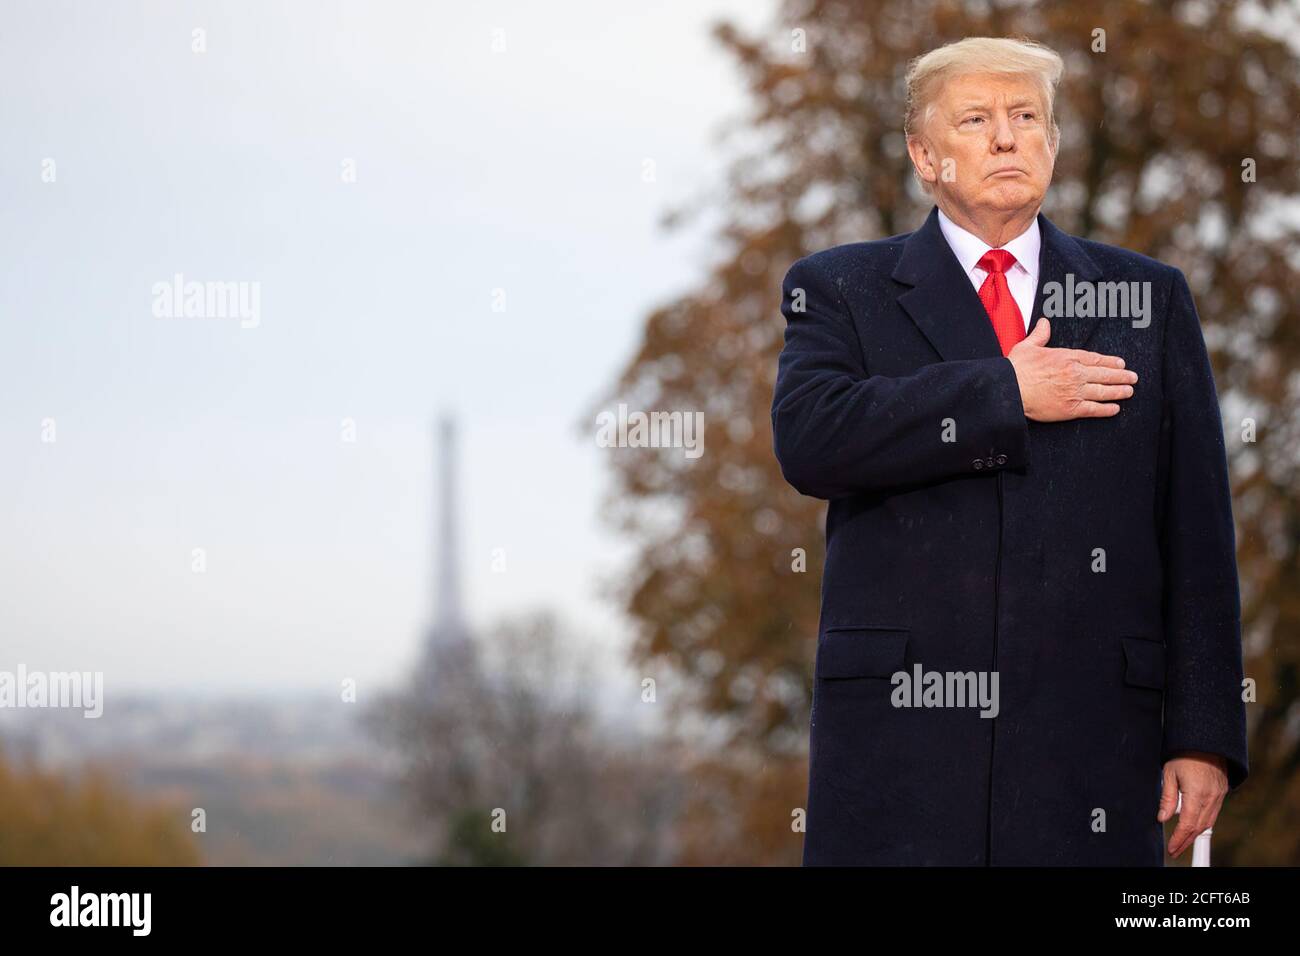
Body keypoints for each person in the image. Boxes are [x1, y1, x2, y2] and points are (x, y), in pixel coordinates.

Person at [771, 36, 1248, 865]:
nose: (1006, 138)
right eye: (977, 119)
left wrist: (1204, 734)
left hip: (1094, 744)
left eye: (1028, 117)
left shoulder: (1148, 300)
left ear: (1053, 144)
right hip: (900, 747)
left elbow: (1197, 532)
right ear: (925, 155)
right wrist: (1003, 392)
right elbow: (812, 438)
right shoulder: (839, 286)